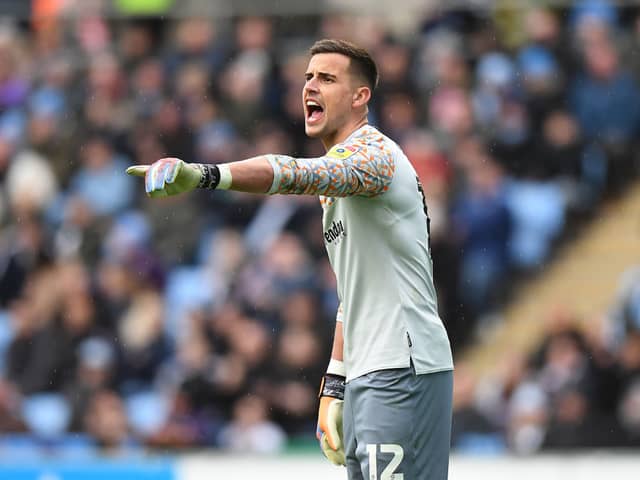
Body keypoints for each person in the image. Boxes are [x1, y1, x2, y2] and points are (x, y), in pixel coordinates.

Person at [127, 38, 454, 479]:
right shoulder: (340, 182)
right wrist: (335, 386)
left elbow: (294, 173)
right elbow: (352, 294)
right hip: (368, 373)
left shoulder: (376, 157)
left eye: (327, 78)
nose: (310, 88)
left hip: (401, 367)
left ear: (361, 97)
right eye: (308, 78)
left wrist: (205, 174)